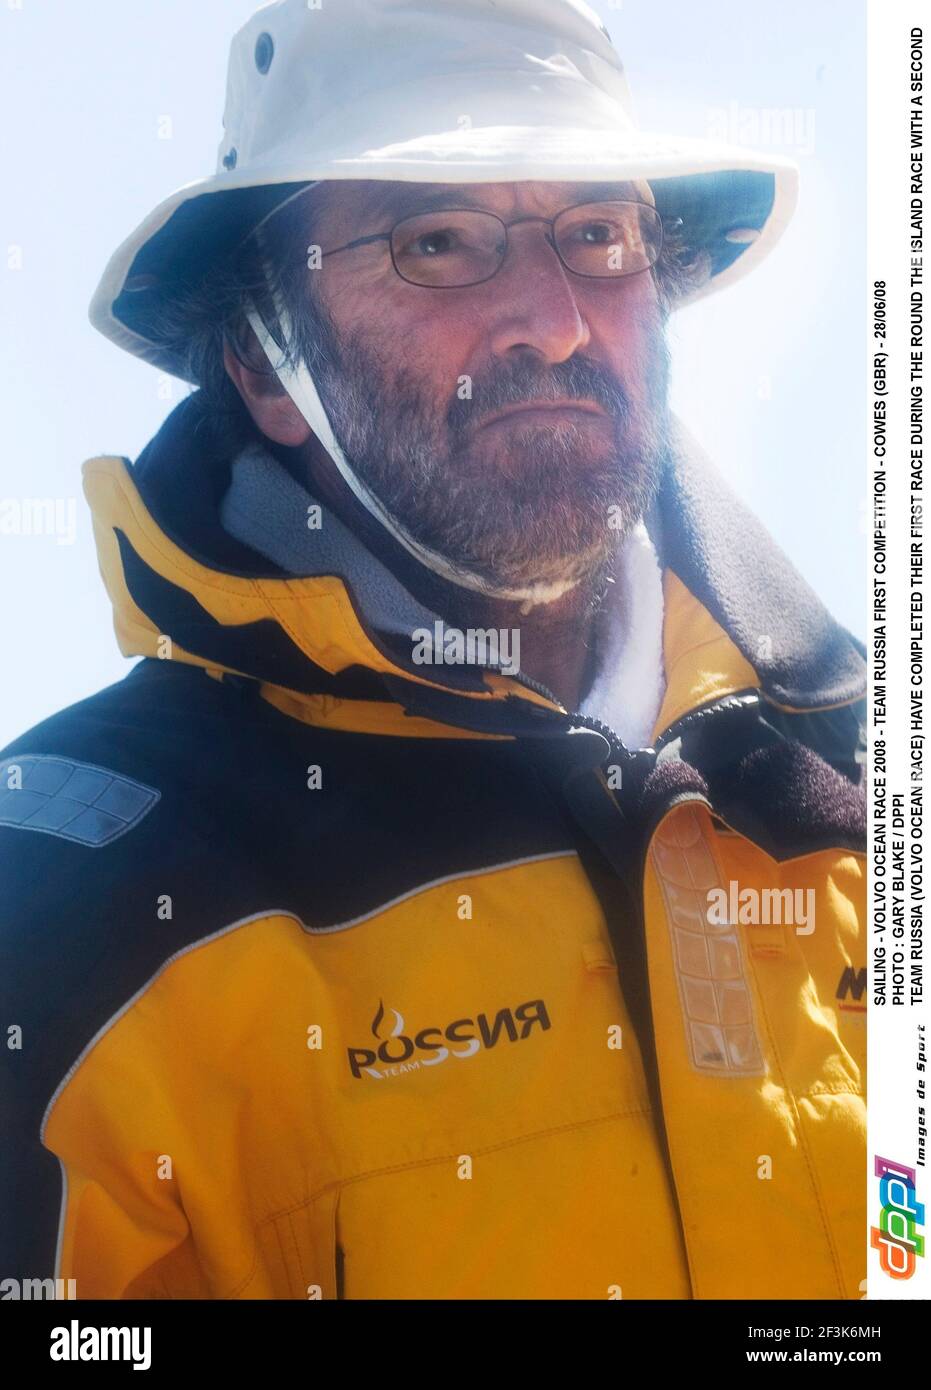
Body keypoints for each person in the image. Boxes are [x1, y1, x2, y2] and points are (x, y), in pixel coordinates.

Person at [1, 0, 867, 1300]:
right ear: (261, 361)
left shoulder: (872, 783)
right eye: (438, 241)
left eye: (600, 232)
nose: (556, 321)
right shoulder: (70, 900)